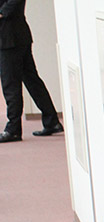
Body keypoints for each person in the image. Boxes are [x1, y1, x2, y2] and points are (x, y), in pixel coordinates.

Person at [0, 0, 64, 143]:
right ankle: (51, 121)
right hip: (16, 36)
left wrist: (2, 12)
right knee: (32, 81)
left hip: (10, 38)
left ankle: (13, 129)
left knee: (11, 84)